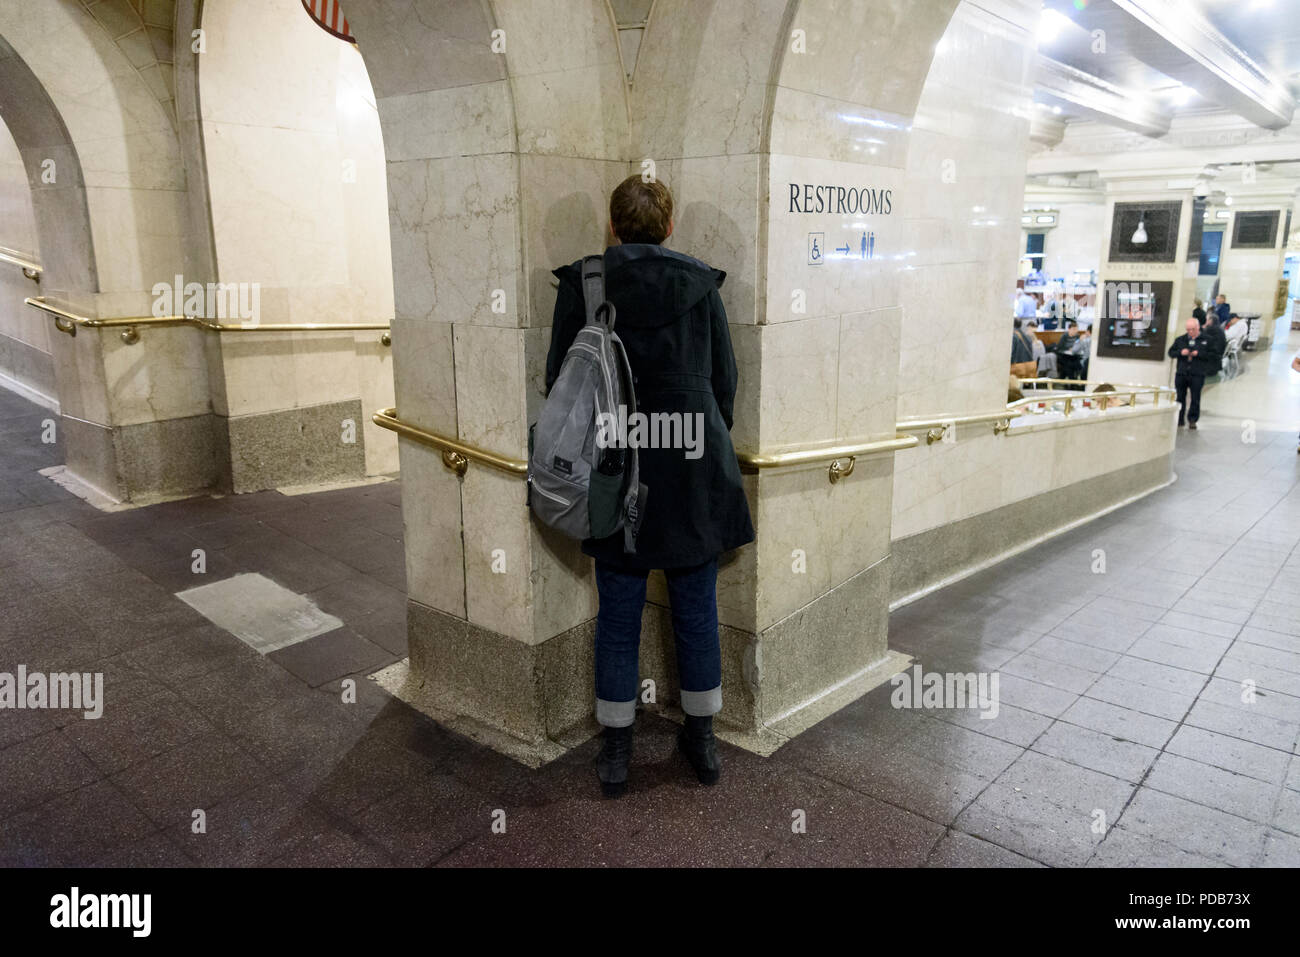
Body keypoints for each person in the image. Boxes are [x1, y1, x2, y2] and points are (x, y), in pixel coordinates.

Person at [546, 175, 755, 798]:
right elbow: (724, 381)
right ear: (670, 226)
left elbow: (562, 380)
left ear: (614, 227)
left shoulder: (585, 285)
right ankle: (702, 739)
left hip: (614, 468)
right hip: (690, 465)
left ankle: (616, 747)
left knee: (618, 612)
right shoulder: (701, 286)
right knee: (696, 608)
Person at [1167, 317, 1215, 429]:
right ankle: (1179, 419)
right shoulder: (1181, 339)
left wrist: (1199, 354)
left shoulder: (1207, 340)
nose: (1190, 332)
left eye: (1193, 329)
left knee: (1195, 397)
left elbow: (1213, 355)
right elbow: (1171, 352)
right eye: (1188, 329)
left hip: (1197, 373)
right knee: (1180, 397)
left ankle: (1192, 419)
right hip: (1182, 373)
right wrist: (1180, 352)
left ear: (1198, 327)